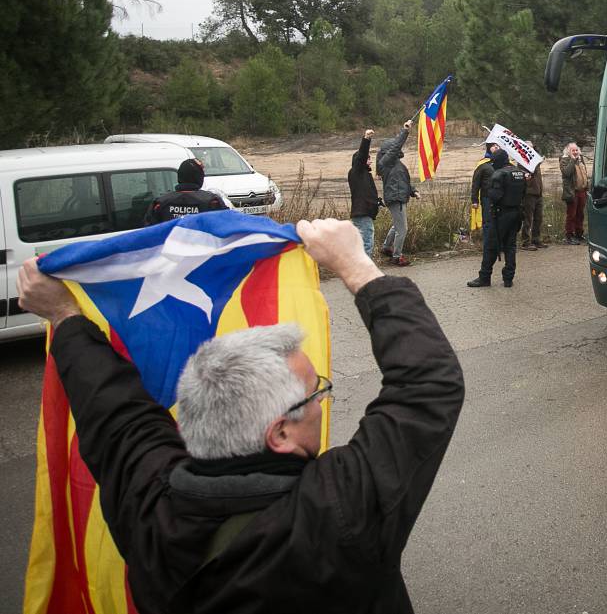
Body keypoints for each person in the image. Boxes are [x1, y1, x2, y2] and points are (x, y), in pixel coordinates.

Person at [16, 218, 465, 613]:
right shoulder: (338, 513)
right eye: (316, 394)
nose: (322, 403)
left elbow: (112, 406)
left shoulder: (147, 506)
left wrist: (65, 316)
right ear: (281, 433)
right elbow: (427, 386)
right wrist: (356, 266)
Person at [468, 149, 525, 288]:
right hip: (516, 213)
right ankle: (508, 279)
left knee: (491, 246)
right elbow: (524, 193)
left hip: (500, 215)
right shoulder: (519, 173)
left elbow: (494, 196)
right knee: (510, 247)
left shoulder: (499, 174)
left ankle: (484, 277)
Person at [377, 121, 420, 267]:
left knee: (397, 226)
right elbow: (396, 146)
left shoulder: (397, 164)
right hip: (395, 198)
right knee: (403, 229)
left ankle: (386, 247)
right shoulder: (385, 162)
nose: (399, 150)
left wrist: (413, 191)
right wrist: (405, 131)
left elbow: (404, 181)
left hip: (399, 197)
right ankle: (397, 256)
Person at [143, 158, 229, 225]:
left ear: (179, 176)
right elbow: (228, 225)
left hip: (170, 246)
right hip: (204, 247)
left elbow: (149, 231)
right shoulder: (212, 202)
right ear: (199, 178)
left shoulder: (160, 203)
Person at [347, 129, 381, 256]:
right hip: (362, 213)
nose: (371, 161)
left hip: (365, 212)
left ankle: (357, 269)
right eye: (368, 159)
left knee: (360, 243)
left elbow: (368, 193)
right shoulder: (357, 171)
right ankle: (367, 272)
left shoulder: (365, 174)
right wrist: (366, 139)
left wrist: (378, 202)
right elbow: (361, 155)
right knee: (367, 242)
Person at [560, 142, 589, 245]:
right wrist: (572, 160)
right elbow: (566, 173)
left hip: (582, 191)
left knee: (580, 214)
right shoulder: (564, 160)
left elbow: (584, 173)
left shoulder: (581, 159)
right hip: (572, 192)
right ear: (569, 151)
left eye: (576, 150)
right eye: (573, 150)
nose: (575, 152)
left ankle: (579, 234)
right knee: (571, 214)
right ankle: (569, 236)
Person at [470, 143, 498, 243]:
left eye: (498, 146)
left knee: (499, 222)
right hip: (487, 197)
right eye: (494, 146)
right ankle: (488, 244)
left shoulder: (502, 163)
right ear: (489, 148)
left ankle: (499, 244)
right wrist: (474, 200)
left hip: (500, 198)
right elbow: (475, 183)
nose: (496, 147)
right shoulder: (482, 165)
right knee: (488, 221)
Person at [520, 160, 547, 251]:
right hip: (528, 193)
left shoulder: (535, 159)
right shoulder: (521, 162)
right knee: (528, 219)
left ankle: (536, 239)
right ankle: (525, 241)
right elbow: (526, 173)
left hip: (538, 193)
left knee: (538, 218)